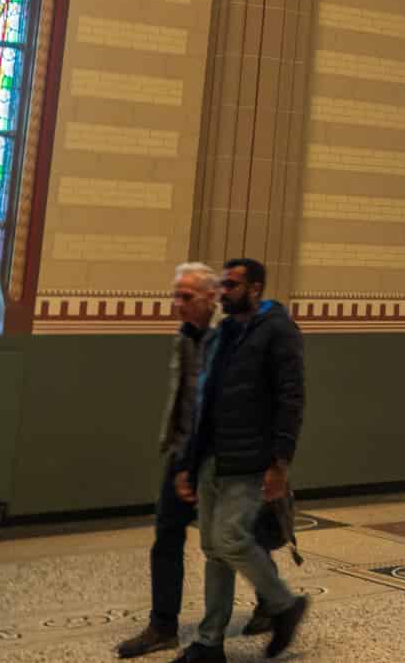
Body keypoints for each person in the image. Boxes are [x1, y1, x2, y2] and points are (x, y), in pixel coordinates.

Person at [116, 264, 276, 656]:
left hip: (224, 455)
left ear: (210, 297)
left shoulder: (234, 336)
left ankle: (272, 604)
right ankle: (163, 625)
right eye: (176, 295)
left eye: (186, 297)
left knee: (239, 535)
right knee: (167, 534)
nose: (177, 304)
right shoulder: (185, 335)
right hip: (185, 450)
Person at [174, 259, 308, 662]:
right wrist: (189, 462)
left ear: (255, 288)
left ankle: (284, 605)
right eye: (221, 284)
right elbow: (203, 400)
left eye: (231, 285)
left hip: (251, 458)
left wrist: (280, 462)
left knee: (231, 539)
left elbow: (291, 397)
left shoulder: (279, 331)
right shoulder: (223, 334)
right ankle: (209, 642)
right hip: (214, 457)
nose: (224, 291)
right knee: (214, 549)